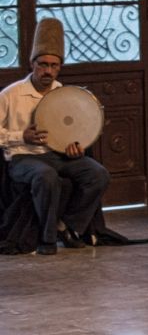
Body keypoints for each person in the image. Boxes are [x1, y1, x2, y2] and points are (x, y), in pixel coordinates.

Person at [0, 18, 110, 255]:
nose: (48, 71)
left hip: (58, 155)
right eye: (43, 65)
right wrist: (21, 136)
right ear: (32, 64)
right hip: (23, 159)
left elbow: (75, 130)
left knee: (97, 174)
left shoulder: (64, 94)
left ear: (60, 67)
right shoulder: (11, 94)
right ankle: (47, 239)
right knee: (45, 175)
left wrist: (76, 148)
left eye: (54, 65)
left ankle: (67, 226)